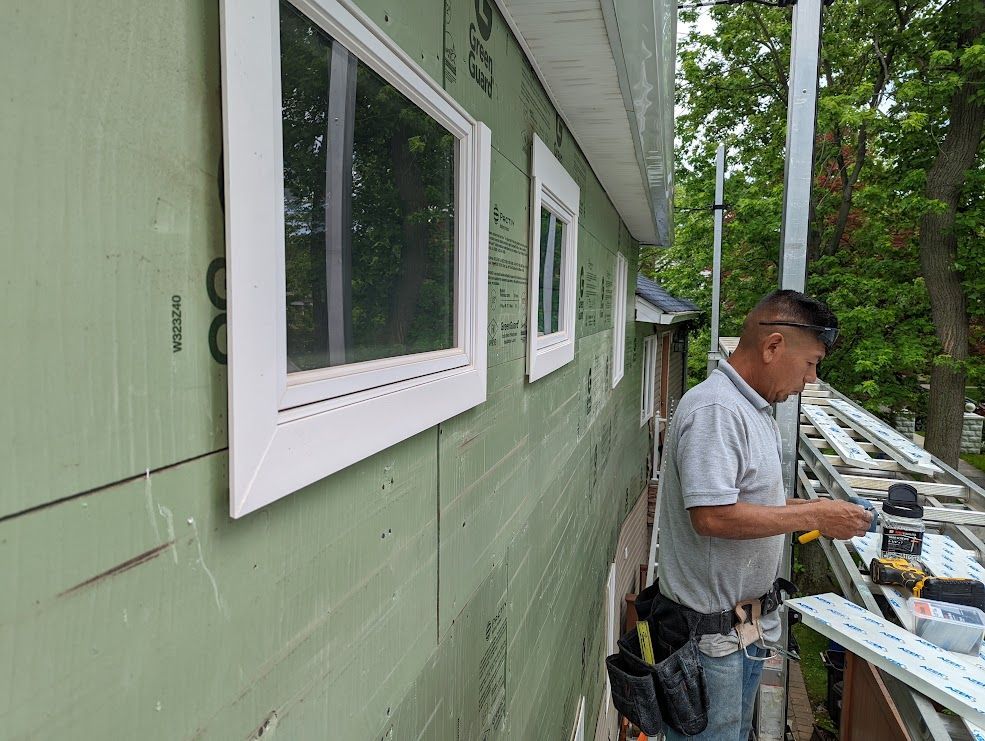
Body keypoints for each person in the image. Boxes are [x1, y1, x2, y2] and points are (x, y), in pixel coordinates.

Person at [656, 289, 872, 741]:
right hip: (709, 645)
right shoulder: (718, 411)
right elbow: (712, 518)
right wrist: (811, 513)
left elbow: (756, 504)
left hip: (741, 635)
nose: (812, 378)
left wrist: (819, 514)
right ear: (773, 346)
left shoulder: (755, 411)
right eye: (811, 363)